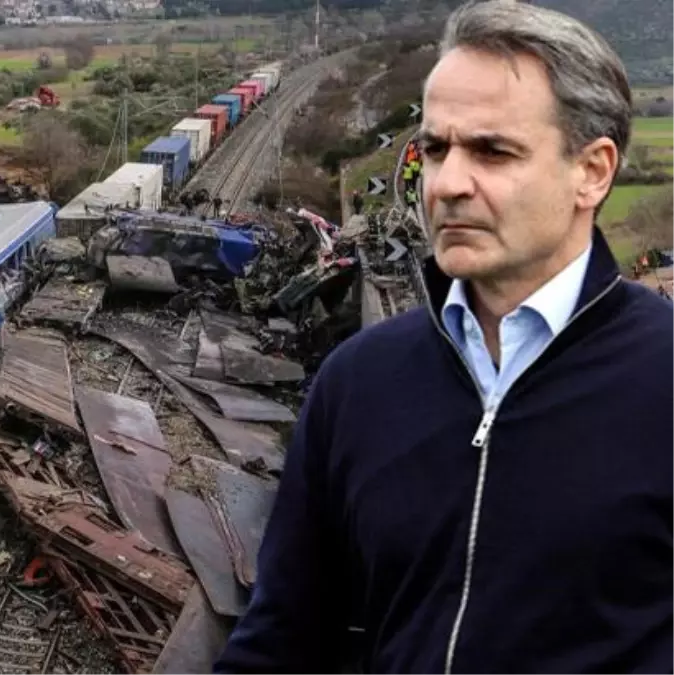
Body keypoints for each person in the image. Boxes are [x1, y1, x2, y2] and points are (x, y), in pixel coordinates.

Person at [215, 4, 674, 674]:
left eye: (492, 150)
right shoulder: (357, 382)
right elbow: (282, 637)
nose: (448, 184)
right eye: (435, 149)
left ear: (593, 171)